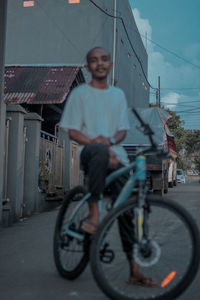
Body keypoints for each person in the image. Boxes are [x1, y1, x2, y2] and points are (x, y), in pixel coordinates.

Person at [60, 47, 157, 287]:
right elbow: (72, 130)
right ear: (88, 67)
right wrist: (99, 143)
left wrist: (111, 142)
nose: (100, 64)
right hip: (90, 154)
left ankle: (134, 270)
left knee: (125, 211)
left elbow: (122, 130)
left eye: (104, 59)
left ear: (110, 64)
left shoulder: (118, 95)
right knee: (100, 153)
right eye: (94, 60)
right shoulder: (79, 94)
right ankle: (93, 215)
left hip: (117, 157)